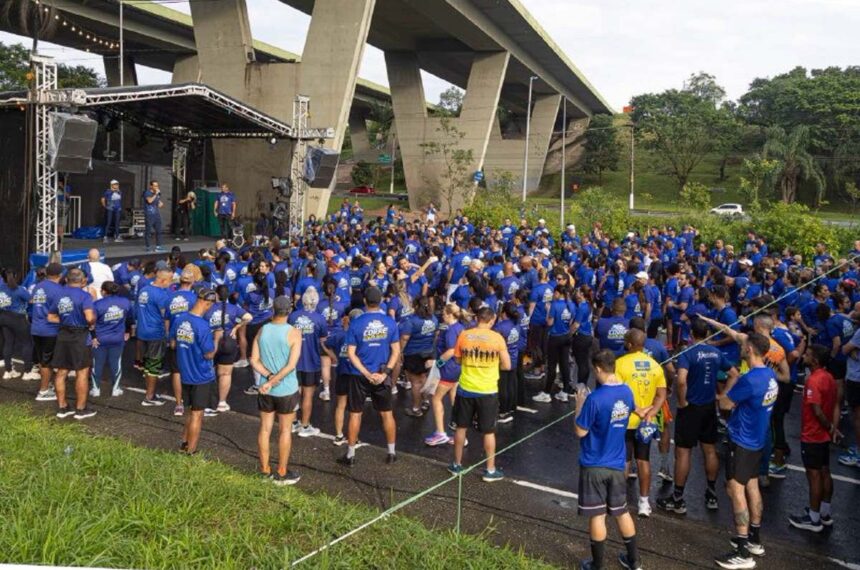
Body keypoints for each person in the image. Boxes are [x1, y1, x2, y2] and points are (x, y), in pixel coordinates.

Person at [658, 319, 736, 515]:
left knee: (683, 452)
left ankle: (678, 498)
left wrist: (682, 401)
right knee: (709, 450)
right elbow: (734, 373)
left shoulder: (688, 353)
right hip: (709, 407)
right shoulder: (716, 352)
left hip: (691, 408)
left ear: (692, 333)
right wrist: (722, 394)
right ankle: (711, 494)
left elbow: (681, 380)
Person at [574, 349, 644, 570]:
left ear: (597, 369)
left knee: (597, 515)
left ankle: (598, 565)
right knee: (621, 511)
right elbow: (633, 410)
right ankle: (634, 561)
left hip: (594, 463)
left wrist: (579, 404)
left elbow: (580, 431)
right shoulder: (626, 391)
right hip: (617, 463)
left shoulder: (594, 398)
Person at [715, 333, 779, 569]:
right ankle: (754, 538)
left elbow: (725, 403)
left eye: (743, 346)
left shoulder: (750, 379)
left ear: (750, 349)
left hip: (741, 441)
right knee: (752, 486)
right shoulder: (769, 375)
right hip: (757, 440)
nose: (740, 348)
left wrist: (730, 383)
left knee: (736, 489)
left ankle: (742, 551)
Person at [447, 306, 511, 482]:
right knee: (488, 431)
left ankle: (456, 464)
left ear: (477, 319)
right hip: (487, 390)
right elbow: (507, 366)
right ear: (491, 320)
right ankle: (490, 471)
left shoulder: (464, 335)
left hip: (466, 388)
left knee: (461, 427)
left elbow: (458, 359)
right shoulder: (497, 338)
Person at [340, 286, 400, 466]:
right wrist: (385, 373)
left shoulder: (356, 323)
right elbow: (396, 351)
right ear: (381, 301)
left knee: (355, 414)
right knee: (387, 414)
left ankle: (350, 455)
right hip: (381, 373)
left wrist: (366, 373)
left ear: (365, 302)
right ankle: (391, 452)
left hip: (359, 375)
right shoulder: (390, 322)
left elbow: (351, 353)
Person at [250, 295, 303, 484]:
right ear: (289, 311)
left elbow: (253, 359)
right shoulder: (294, 333)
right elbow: (291, 365)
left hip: (266, 388)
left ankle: (264, 470)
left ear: (273, 309)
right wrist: (274, 380)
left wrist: (268, 377)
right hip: (286, 389)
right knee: (285, 430)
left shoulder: (263, 330)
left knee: (265, 429)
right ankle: (281, 471)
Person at [615, 328, 667, 517]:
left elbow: (618, 392)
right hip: (647, 421)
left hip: (626, 420)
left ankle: (619, 499)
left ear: (629, 344)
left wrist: (635, 409)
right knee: (644, 460)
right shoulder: (654, 365)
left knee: (625, 461)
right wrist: (650, 411)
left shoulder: (620, 364)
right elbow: (662, 394)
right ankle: (644, 502)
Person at [789, 344, 839, 533]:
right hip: (823, 436)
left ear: (815, 360)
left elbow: (817, 410)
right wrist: (833, 429)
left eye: (808, 355)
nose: (805, 356)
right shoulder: (829, 378)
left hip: (812, 435)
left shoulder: (814, 381)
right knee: (825, 471)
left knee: (814, 475)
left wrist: (828, 426)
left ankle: (814, 517)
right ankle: (824, 512)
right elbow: (835, 404)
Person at [170, 287, 220, 455]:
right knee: (197, 415)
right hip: (201, 375)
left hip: (185, 373)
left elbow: (173, 344)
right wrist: (217, 339)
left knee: (191, 412)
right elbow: (209, 354)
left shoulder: (180, 319)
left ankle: (184, 443)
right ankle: (191, 452)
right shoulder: (203, 326)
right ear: (207, 303)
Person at [47, 268, 97, 420]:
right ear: (83, 281)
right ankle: (80, 410)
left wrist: (64, 321)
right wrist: (92, 323)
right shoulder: (85, 296)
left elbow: (50, 317)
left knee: (61, 371)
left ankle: (62, 407)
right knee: (82, 372)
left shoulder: (59, 295)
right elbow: (89, 318)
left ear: (67, 279)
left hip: (63, 335)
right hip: (80, 335)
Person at [288, 287, 328, 437]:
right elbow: (323, 340)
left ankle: (292, 422)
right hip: (312, 361)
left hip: (294, 360)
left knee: (294, 392)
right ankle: (304, 425)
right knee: (308, 395)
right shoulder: (320, 319)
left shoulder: (293, 316)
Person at [136, 267, 173, 407]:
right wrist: (168, 334)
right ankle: (149, 397)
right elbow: (166, 316)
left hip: (142, 332)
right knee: (154, 366)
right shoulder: (161, 295)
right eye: (169, 280)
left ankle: (150, 393)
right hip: (155, 334)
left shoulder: (144, 289)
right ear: (163, 280)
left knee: (147, 365)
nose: (170, 283)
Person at [30, 263, 65, 400]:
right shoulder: (58, 290)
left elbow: (32, 302)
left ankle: (47, 385)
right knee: (46, 362)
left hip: (36, 328)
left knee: (43, 360)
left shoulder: (38, 286)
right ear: (60, 275)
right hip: (49, 330)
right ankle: (43, 391)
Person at [90, 281, 131, 398]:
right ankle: (116, 389)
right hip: (117, 338)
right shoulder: (125, 302)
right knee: (116, 364)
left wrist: (93, 337)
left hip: (99, 339)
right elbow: (130, 318)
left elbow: (91, 323)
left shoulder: (97, 304)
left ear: (103, 291)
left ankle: (96, 389)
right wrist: (127, 331)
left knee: (97, 364)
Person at [400, 295, 437, 417]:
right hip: (428, 352)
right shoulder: (434, 319)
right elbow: (435, 335)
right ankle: (425, 401)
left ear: (416, 306)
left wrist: (400, 351)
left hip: (413, 354)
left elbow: (405, 338)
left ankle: (416, 408)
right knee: (424, 378)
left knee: (415, 382)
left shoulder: (411, 321)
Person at [0, 270, 33, 380]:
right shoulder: (19, 289)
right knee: (26, 343)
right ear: (14, 276)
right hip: (18, 318)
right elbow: (32, 300)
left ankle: (8, 371)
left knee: (8, 343)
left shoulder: (1, 288)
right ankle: (28, 371)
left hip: (4, 317)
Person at [838, 321, 860, 466]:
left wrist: (852, 350)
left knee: (858, 417)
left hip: (857, 378)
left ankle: (858, 454)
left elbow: (845, 349)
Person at [143, 180, 165, 253]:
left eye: (157, 186)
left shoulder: (158, 194)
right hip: (149, 215)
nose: (156, 187)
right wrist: (155, 194)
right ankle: (148, 247)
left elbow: (158, 203)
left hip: (156, 215)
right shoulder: (147, 193)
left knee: (159, 230)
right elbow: (149, 201)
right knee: (148, 231)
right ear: (151, 186)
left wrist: (160, 203)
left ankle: (158, 246)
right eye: (155, 186)